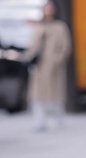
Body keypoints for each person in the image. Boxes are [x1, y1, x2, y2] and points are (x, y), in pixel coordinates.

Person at [21, 0, 72, 131]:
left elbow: (65, 47)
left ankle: (58, 119)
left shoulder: (60, 27)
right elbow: (32, 46)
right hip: (40, 66)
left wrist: (57, 60)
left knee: (56, 93)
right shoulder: (38, 27)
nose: (48, 11)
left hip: (54, 66)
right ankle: (40, 121)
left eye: (50, 8)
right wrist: (29, 58)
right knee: (38, 94)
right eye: (46, 8)